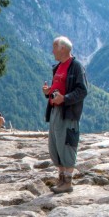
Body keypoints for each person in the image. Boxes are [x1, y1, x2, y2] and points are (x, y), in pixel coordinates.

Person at [42, 36, 88, 194]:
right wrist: (49, 92)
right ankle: (61, 179)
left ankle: (68, 182)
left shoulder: (76, 66)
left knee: (67, 145)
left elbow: (82, 90)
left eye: (54, 47)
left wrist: (65, 99)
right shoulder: (58, 67)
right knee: (55, 145)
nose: (52, 50)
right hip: (55, 111)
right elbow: (58, 86)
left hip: (68, 113)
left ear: (63, 49)